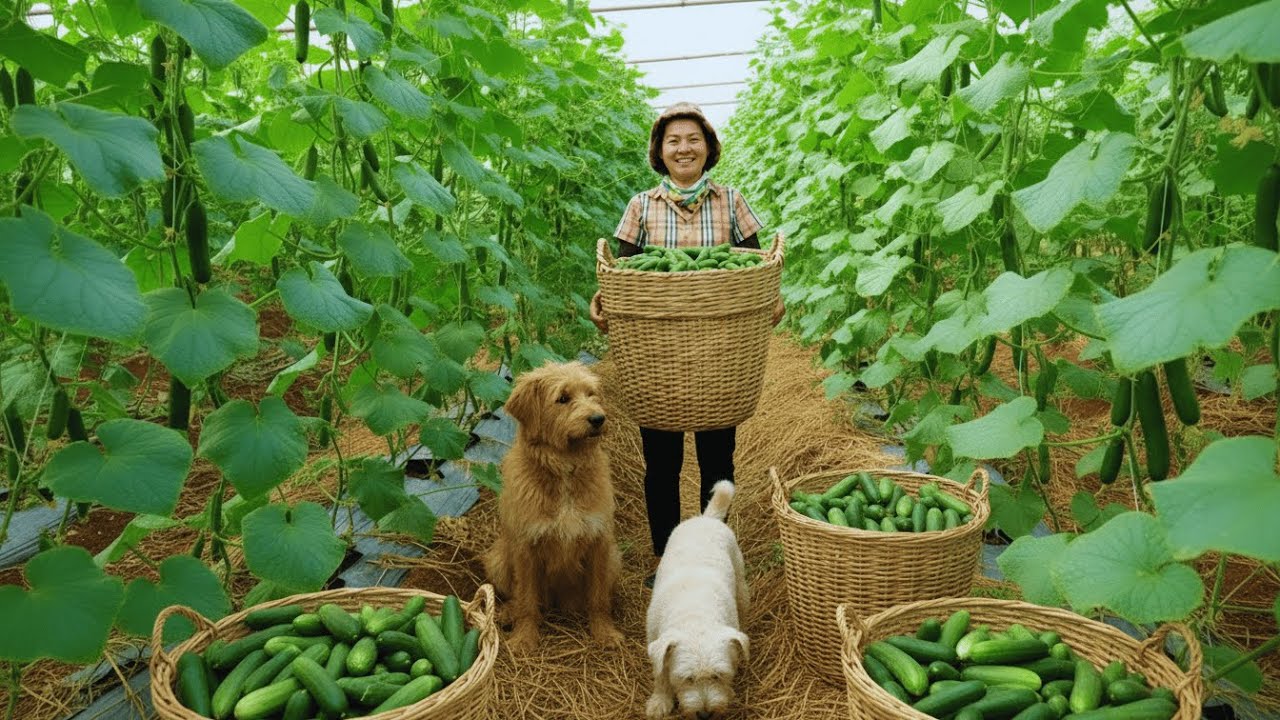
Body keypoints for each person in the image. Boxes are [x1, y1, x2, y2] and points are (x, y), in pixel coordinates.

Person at [590, 102, 783, 585]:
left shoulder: (732, 201)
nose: (684, 148)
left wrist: (770, 301)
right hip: (659, 352)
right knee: (662, 461)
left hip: (720, 348)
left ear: (708, 147)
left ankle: (713, 551)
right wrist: (604, 301)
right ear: (660, 151)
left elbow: (757, 268)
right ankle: (666, 557)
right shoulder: (641, 207)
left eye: (693, 139)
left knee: (719, 457)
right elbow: (624, 271)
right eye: (673, 140)